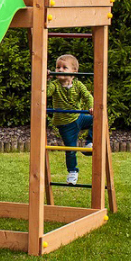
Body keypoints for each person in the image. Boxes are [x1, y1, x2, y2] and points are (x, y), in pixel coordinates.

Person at [48, 54, 93, 184]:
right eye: (58, 67)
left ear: (74, 72)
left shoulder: (78, 85)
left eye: (64, 67)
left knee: (97, 119)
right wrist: (46, 79)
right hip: (65, 124)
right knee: (71, 150)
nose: (60, 70)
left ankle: (89, 142)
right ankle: (73, 171)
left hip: (78, 117)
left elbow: (88, 97)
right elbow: (45, 92)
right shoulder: (55, 85)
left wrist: (91, 107)